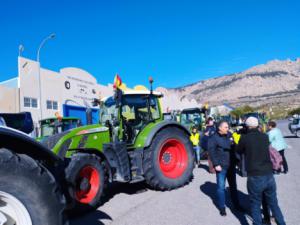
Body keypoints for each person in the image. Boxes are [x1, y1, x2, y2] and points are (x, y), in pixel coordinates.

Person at [236, 117, 286, 225]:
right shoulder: (264, 136)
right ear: (258, 125)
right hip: (269, 175)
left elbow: (239, 150)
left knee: (255, 205)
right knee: (274, 204)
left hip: (255, 176)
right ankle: (282, 223)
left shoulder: (245, 138)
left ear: (247, 126)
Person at [208, 121, 242, 216]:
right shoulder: (213, 138)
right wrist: (216, 164)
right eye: (226, 127)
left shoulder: (229, 134)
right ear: (220, 128)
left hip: (231, 165)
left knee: (233, 186)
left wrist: (237, 160)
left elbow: (234, 146)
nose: (228, 129)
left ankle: (237, 205)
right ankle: (222, 207)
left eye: (228, 127)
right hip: (221, 167)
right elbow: (211, 152)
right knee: (221, 188)